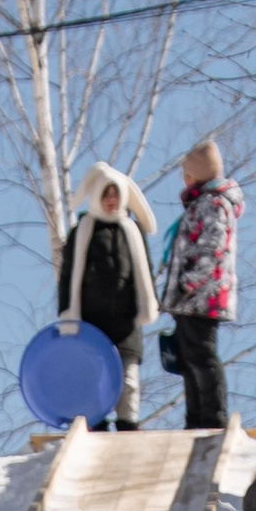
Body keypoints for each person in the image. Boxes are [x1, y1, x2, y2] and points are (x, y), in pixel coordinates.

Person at [55, 165, 162, 431]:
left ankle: (128, 423)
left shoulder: (132, 231)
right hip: (93, 321)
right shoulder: (82, 231)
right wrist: (67, 313)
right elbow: (68, 275)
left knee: (128, 380)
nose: (111, 200)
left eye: (116, 194)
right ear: (98, 196)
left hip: (126, 322)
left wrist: (150, 304)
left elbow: (145, 271)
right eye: (106, 194)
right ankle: (97, 422)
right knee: (95, 375)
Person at [164, 140, 242, 434]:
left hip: (203, 296)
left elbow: (212, 247)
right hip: (192, 297)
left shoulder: (212, 204)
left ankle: (213, 418)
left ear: (195, 175)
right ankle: (196, 417)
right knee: (189, 357)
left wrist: (189, 283)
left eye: (186, 173)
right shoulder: (204, 203)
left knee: (202, 354)